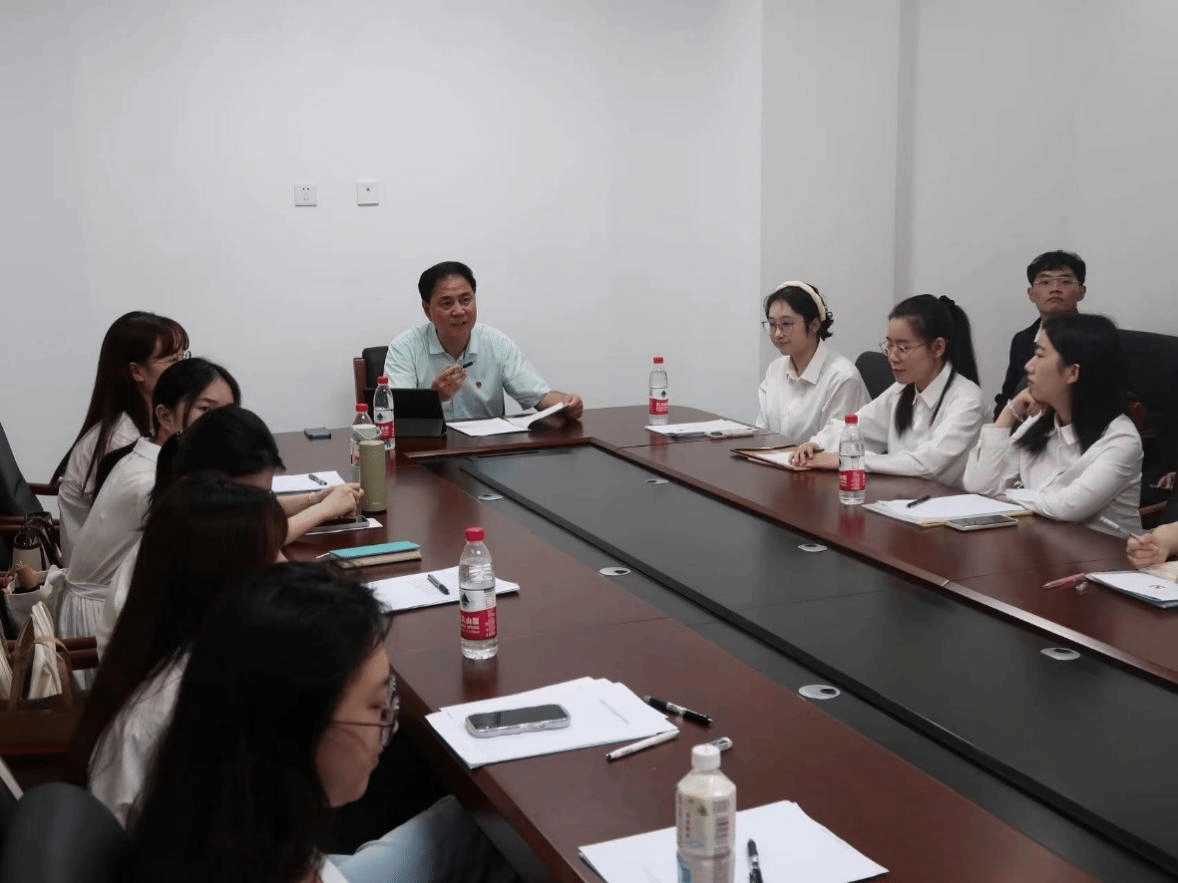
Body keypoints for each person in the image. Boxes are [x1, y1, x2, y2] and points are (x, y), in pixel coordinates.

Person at [125, 562, 519, 883]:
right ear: (297, 727)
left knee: (462, 824)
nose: (389, 724)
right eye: (376, 706)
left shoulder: (216, 818)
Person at [67, 475, 288, 825]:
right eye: (272, 554)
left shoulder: (183, 659)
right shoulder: (173, 715)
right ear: (224, 582)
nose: (285, 565)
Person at [94, 404, 362, 655]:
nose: (258, 511)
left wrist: (314, 500)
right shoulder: (203, 546)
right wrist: (322, 509)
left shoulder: (187, 520)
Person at [51, 359, 239, 649]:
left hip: (121, 609)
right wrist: (315, 509)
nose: (223, 425)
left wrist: (312, 501)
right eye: (206, 410)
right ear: (164, 416)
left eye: (229, 413)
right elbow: (237, 538)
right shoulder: (150, 483)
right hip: (102, 630)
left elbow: (239, 516)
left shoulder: (152, 459)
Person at [964, 314, 1142, 535]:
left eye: (1040, 355)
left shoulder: (1122, 440)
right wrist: (1009, 413)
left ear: (1072, 372)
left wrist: (1008, 496)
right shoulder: (1041, 421)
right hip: (1040, 541)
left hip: (1106, 554)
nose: (1028, 366)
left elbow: (1068, 507)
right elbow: (979, 485)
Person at [792, 294, 986, 487]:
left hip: (948, 502)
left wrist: (849, 460)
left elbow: (927, 465)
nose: (892, 357)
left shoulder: (967, 401)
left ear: (938, 348)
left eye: (903, 348)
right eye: (889, 345)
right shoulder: (902, 390)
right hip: (902, 496)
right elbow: (856, 426)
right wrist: (817, 445)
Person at [55, 311, 189, 562]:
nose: (184, 369)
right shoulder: (120, 440)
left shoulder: (152, 425)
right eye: (172, 360)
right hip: (107, 577)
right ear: (136, 372)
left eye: (184, 356)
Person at [384, 261, 583, 421]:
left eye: (465, 300)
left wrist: (566, 403)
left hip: (486, 449)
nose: (459, 311)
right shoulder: (405, 347)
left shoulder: (497, 342)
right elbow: (391, 413)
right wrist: (434, 398)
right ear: (427, 310)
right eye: (447, 303)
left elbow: (539, 395)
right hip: (427, 450)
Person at [755, 281, 869, 441]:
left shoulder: (842, 377)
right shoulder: (775, 369)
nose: (777, 334)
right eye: (772, 325)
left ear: (814, 325)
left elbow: (836, 443)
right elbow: (761, 433)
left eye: (786, 324)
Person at [993, 250, 1086, 419]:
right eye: (1045, 282)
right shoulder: (1022, 341)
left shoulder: (1095, 338)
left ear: (1081, 291)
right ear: (1031, 294)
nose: (1055, 289)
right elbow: (1008, 396)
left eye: (1065, 281)